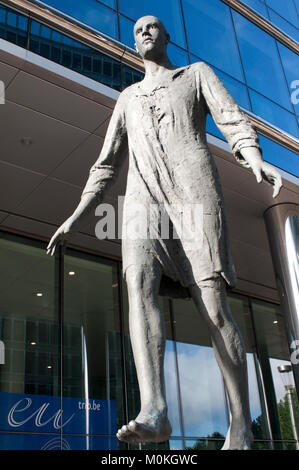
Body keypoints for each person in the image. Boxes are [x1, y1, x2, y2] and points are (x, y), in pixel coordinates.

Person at [47, 16, 282, 449]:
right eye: (137, 31)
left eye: (152, 27)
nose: (145, 34)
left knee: (214, 307)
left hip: (194, 191)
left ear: (167, 35)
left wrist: (253, 156)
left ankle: (240, 425)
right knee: (137, 285)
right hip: (142, 198)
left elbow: (230, 118)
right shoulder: (127, 98)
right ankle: (154, 409)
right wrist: (76, 215)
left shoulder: (195, 75)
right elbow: (106, 164)